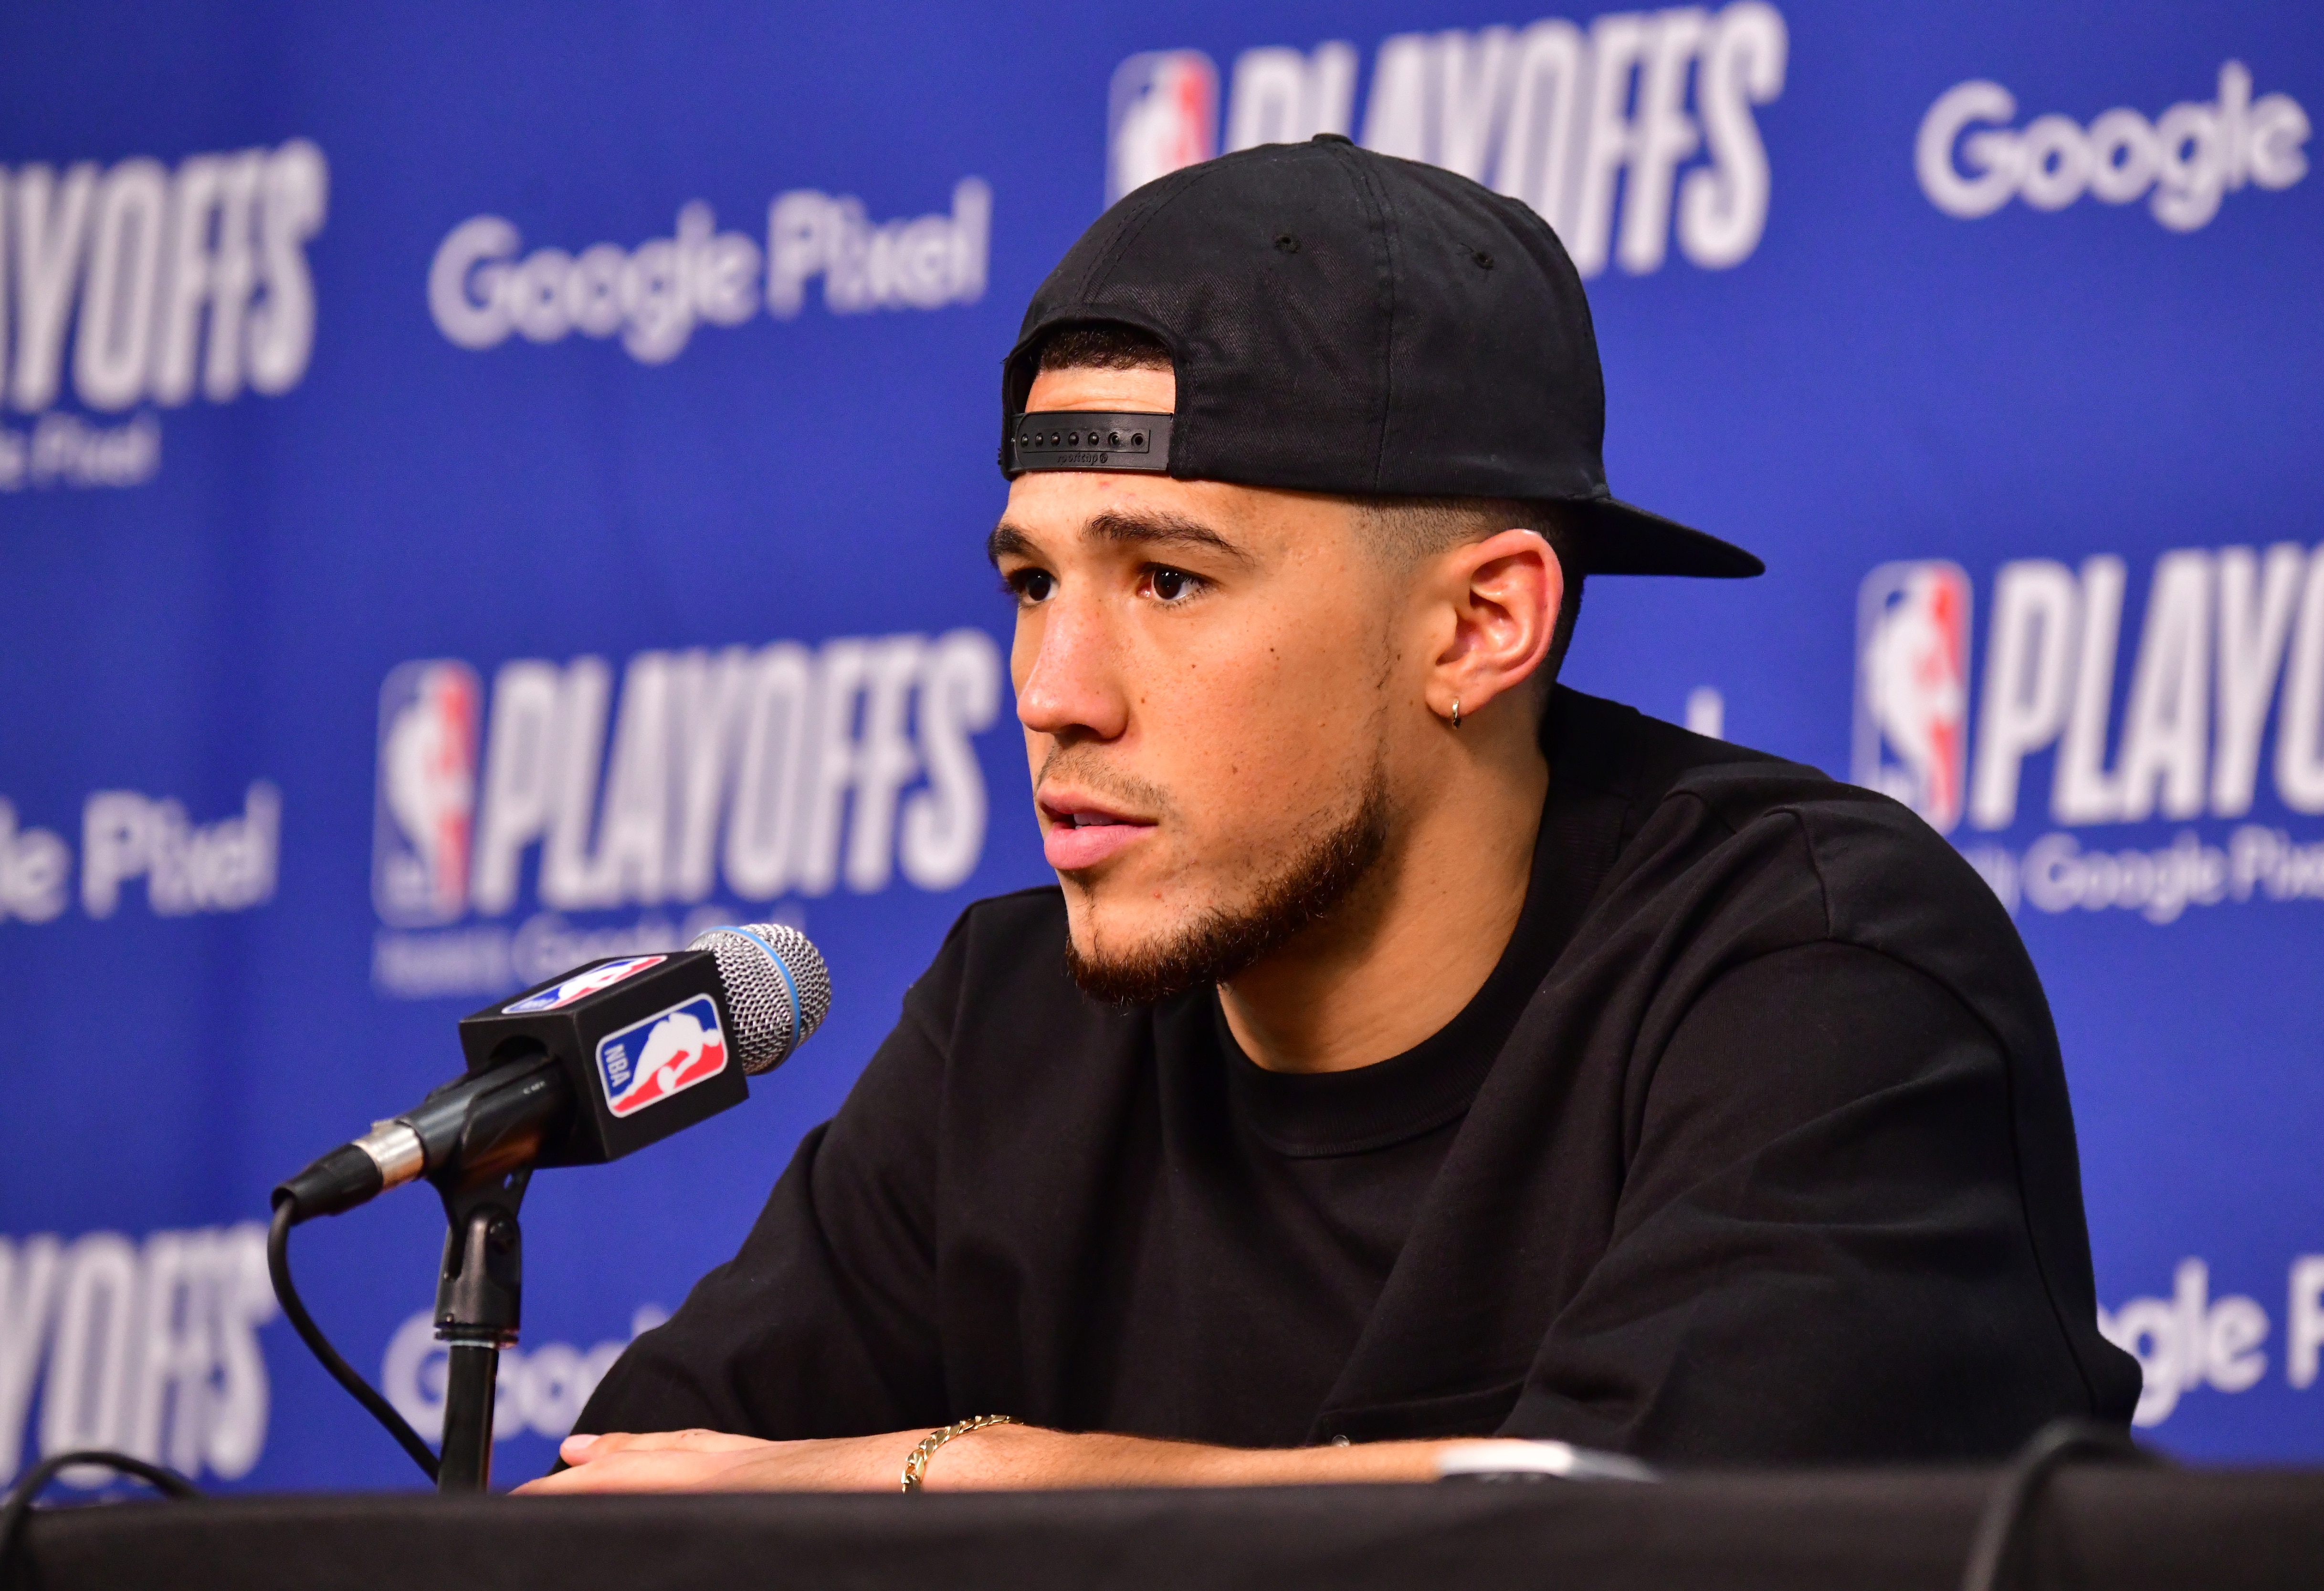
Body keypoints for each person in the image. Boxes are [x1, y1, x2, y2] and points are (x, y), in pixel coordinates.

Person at [521, 136, 2140, 1496]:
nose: (1051, 689)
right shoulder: (1005, 1027)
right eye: (1032, 582)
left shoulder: (1812, 965)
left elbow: (1638, 1540)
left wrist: (1007, 1481)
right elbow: (646, 1503)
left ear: (1481, 626)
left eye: (1167, 579)